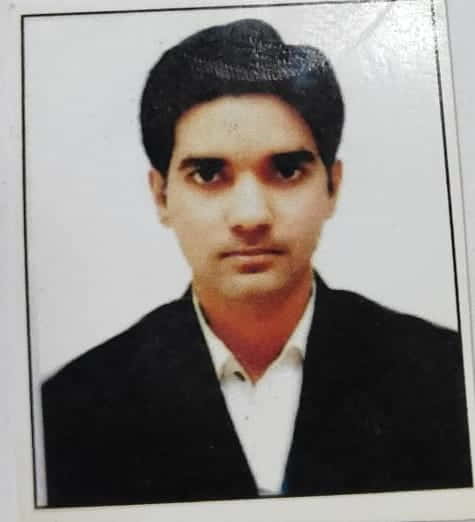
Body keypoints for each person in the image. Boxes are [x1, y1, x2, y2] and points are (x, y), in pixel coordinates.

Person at [42, 19, 472, 508]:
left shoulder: (446, 376)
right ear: (161, 195)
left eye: (286, 170)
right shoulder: (71, 405)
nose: (251, 216)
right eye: (208, 174)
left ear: (332, 185)